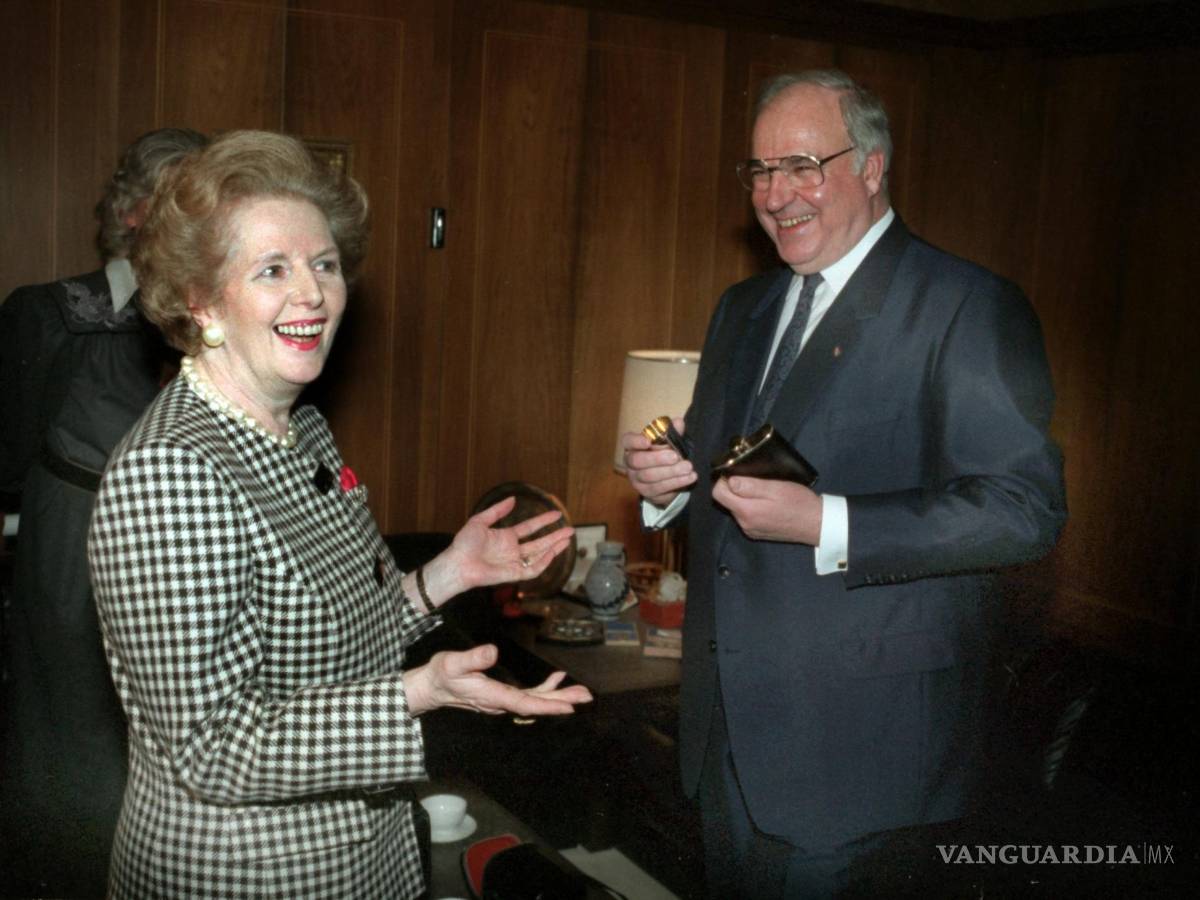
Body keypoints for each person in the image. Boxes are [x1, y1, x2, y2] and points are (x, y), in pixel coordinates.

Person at [85, 130, 592, 899]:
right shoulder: (173, 469)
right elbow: (212, 748)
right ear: (200, 300)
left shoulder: (299, 427)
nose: (313, 294)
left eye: (324, 264)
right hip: (248, 877)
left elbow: (335, 638)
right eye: (272, 270)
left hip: (367, 860)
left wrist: (452, 573)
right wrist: (419, 693)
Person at [621, 70, 1066, 898]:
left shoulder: (965, 305)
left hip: (860, 764)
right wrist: (667, 481)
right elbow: (730, 458)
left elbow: (1023, 512)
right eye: (759, 171)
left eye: (802, 165)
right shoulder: (741, 307)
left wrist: (830, 521)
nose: (775, 194)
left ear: (872, 166)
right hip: (727, 749)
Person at [0, 127, 207, 898]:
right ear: (131, 213)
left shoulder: (225, 324)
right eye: (182, 202)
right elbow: (8, 453)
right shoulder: (51, 313)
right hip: (72, 558)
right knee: (76, 745)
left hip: (185, 558)